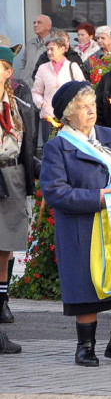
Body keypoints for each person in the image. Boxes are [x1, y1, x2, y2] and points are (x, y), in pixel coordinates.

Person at [41, 81, 111, 366]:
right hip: (83, 226)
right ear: (68, 114)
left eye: (92, 105)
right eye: (83, 107)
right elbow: (55, 192)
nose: (91, 111)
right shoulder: (57, 147)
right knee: (85, 286)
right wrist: (96, 198)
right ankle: (85, 347)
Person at [0, 47, 36, 334]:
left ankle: (3, 300)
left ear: (8, 72)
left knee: (6, 245)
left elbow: (28, 146)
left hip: (12, 173)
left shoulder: (19, 105)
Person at [32, 34, 85, 142]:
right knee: (50, 144)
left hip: (69, 115)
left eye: (52, 49)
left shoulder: (72, 66)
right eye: (47, 49)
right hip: (49, 115)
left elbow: (82, 89)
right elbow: (36, 92)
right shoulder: (43, 68)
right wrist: (42, 103)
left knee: (69, 144)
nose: (49, 52)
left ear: (62, 49)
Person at [18, 14, 51, 83]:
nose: (35, 25)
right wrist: (22, 77)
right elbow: (23, 62)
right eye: (34, 23)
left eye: (39, 23)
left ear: (48, 26)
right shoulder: (30, 43)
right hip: (26, 85)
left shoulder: (53, 44)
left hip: (43, 86)